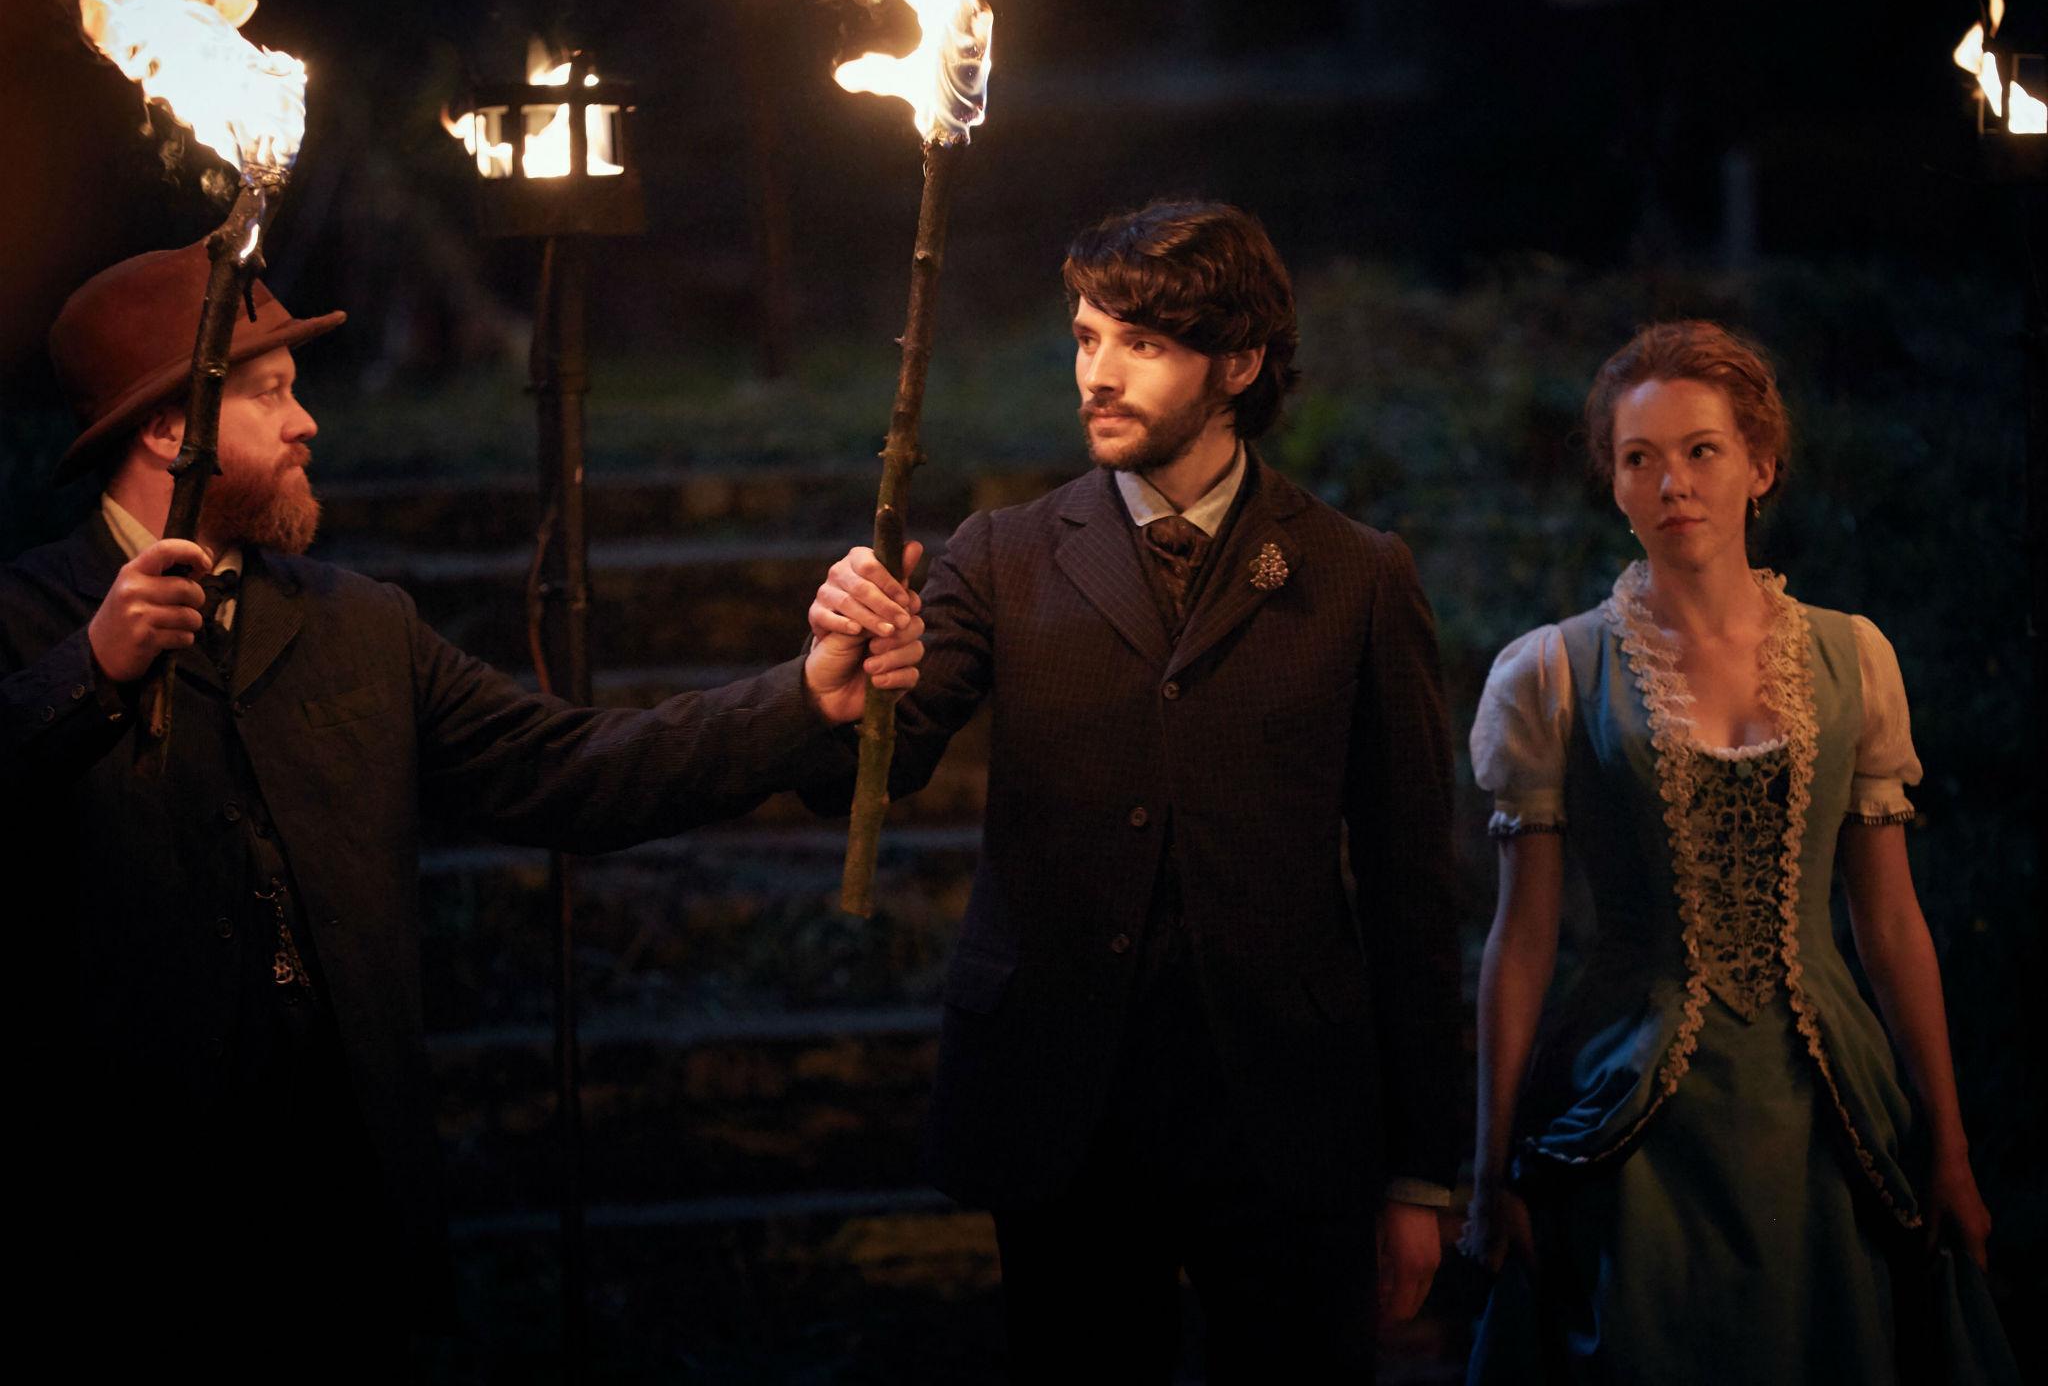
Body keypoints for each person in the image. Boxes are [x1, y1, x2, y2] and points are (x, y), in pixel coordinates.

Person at [0, 240, 923, 1358]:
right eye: (272, 396)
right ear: (167, 429)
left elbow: (574, 769)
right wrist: (89, 676)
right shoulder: (28, 622)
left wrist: (801, 697)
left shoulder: (353, 625)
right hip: (122, 1218)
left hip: (343, 1204)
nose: (309, 426)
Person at [807, 201, 1462, 1381]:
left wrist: (1420, 1169)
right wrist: (852, 678)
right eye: (1083, 338)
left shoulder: (1353, 575)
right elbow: (884, 756)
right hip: (1065, 1107)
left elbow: (1412, 886)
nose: (1096, 377)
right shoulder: (1003, 554)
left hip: (1281, 1112)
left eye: (1140, 345)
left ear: (1239, 363)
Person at [1461, 321, 2017, 1384]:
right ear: (1613, 485)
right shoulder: (1551, 674)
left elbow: (1889, 921)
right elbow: (1522, 937)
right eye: (1639, 458)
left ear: (1759, 467)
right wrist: (1487, 1168)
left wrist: (1944, 1142)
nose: (1671, 481)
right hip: (1624, 1108)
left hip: (1817, 1108)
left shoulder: (1850, 655)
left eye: (1700, 450)